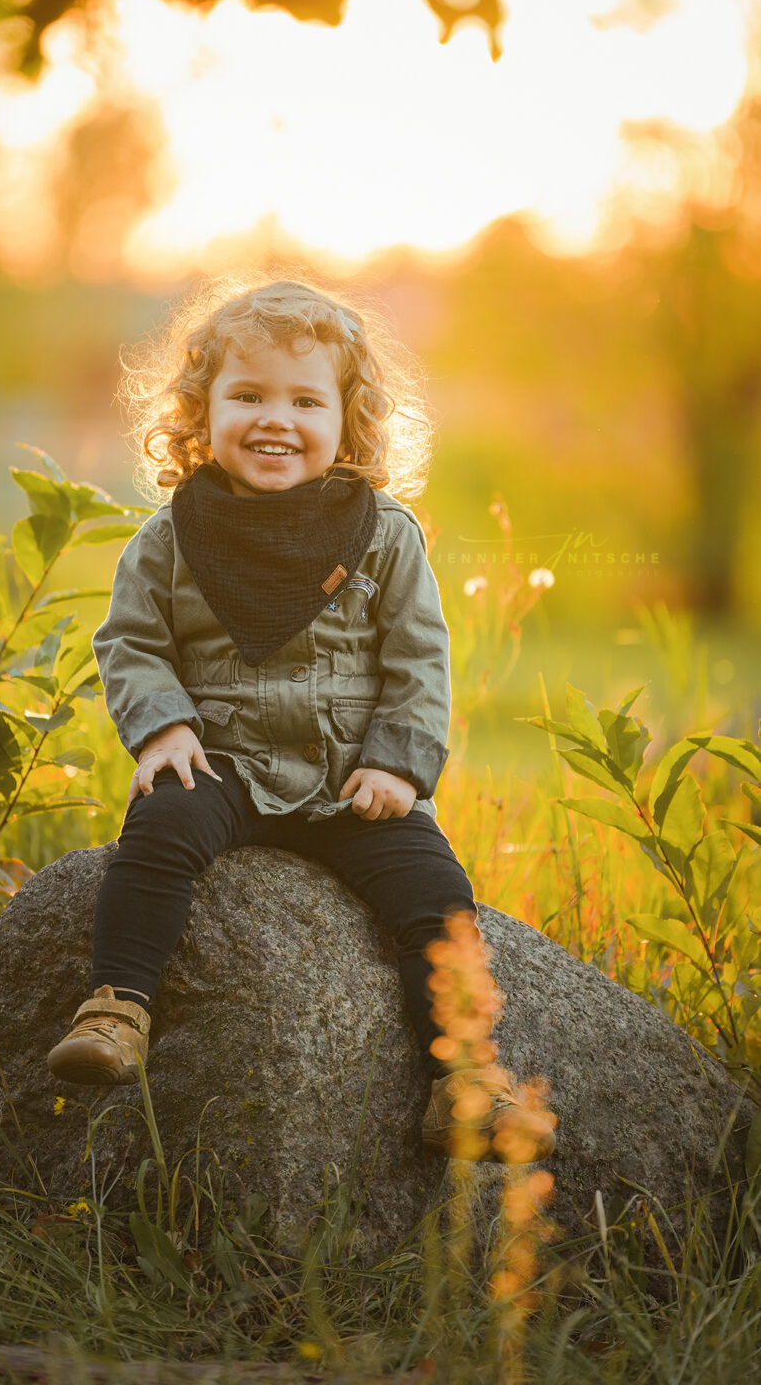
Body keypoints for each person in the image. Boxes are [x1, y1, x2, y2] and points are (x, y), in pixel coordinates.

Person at [47, 278, 555, 1162]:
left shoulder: (383, 535)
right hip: (227, 763)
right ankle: (118, 1009)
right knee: (158, 832)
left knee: (436, 894)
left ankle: (464, 1075)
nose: (274, 418)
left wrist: (398, 765)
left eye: (304, 399)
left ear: (347, 421)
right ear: (200, 412)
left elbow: (418, 658)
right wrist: (165, 728)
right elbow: (129, 641)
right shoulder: (170, 537)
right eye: (246, 395)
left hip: (349, 777)